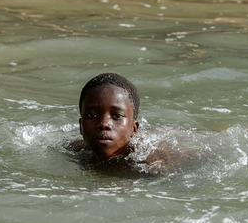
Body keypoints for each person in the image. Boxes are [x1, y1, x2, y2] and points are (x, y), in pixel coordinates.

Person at [67, 72, 203, 175]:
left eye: (116, 116)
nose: (104, 124)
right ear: (80, 126)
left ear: (134, 128)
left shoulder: (150, 164)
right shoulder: (73, 151)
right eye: (92, 115)